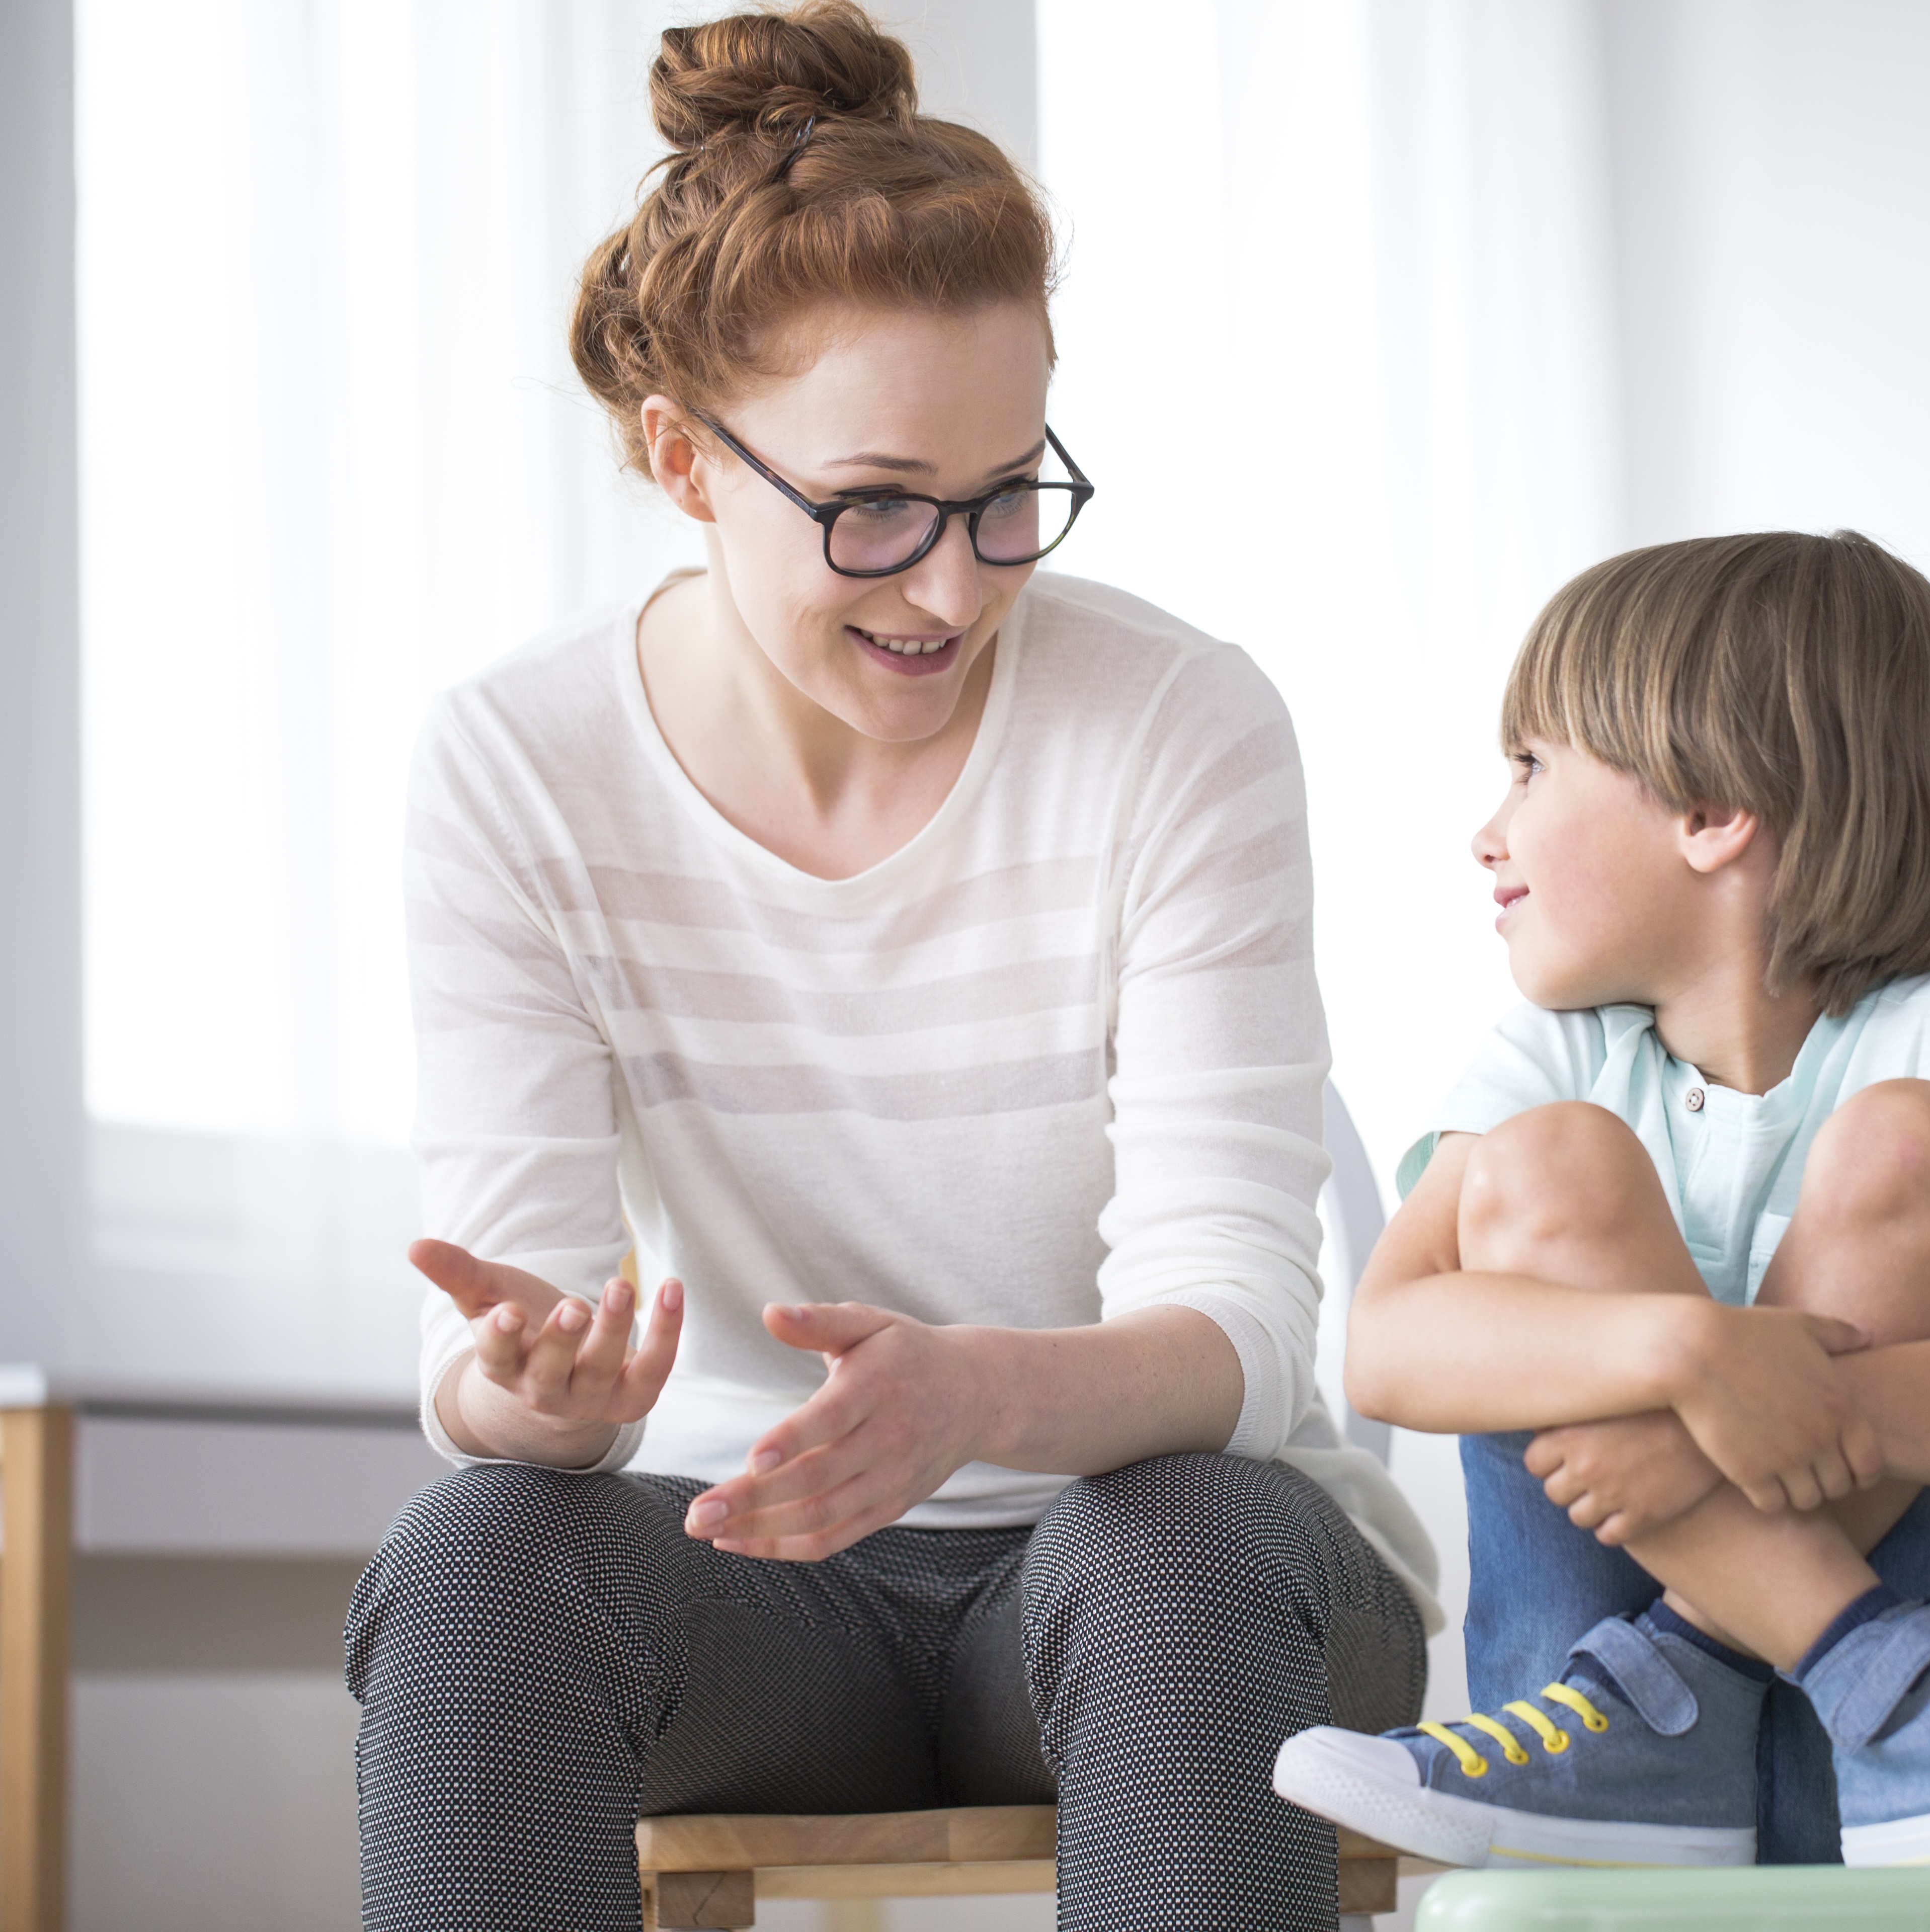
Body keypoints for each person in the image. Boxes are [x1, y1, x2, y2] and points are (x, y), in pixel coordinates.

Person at [339, 8, 1433, 1929]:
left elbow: (1245, 1342)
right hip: (760, 1591)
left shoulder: (1177, 723)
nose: (956, 584)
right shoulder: (516, 765)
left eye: (1011, 492)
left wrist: (981, 1398)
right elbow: (490, 1361)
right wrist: (542, 1392)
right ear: (684, 459)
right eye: (874, 508)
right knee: (476, 1560)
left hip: (1173, 1583)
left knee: (1175, 1542)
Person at [1272, 532, 1930, 1869]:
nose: (1486, 829)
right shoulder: (1551, 1062)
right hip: (1603, 1787)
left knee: (1908, 1146)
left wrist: (1798, 1409)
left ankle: (1798, 1697)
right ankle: (1855, 1673)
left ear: (1711, 809)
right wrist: (1692, 1358)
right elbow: (1385, 1352)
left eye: (1532, 765)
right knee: (1555, 1165)